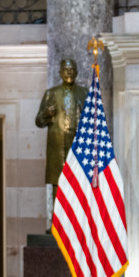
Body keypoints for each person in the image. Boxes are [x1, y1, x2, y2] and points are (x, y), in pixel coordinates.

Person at [35, 58, 88, 225]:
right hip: (57, 144)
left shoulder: (84, 93)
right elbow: (38, 121)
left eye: (72, 70)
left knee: (77, 182)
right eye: (66, 70)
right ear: (60, 73)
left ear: (77, 72)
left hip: (77, 144)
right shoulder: (51, 94)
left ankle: (76, 222)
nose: (69, 73)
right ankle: (57, 223)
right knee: (58, 182)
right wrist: (46, 114)